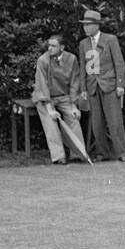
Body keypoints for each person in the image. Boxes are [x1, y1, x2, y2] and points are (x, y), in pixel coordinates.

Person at [77, 9, 125, 162]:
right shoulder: (83, 44)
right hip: (92, 86)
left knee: (115, 121)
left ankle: (121, 152)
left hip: (110, 85)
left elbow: (119, 63)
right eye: (84, 25)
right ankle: (102, 152)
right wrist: (83, 88)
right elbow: (82, 67)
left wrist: (120, 85)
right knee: (96, 122)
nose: (85, 28)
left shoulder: (110, 39)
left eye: (88, 25)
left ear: (97, 26)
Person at [31, 35, 89, 165]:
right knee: (50, 122)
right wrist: (49, 108)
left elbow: (75, 82)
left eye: (53, 46)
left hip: (64, 96)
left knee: (73, 118)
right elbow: (42, 84)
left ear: (62, 47)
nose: (49, 48)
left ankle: (78, 153)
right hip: (44, 98)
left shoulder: (72, 59)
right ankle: (59, 157)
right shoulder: (43, 60)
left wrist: (74, 105)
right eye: (49, 45)